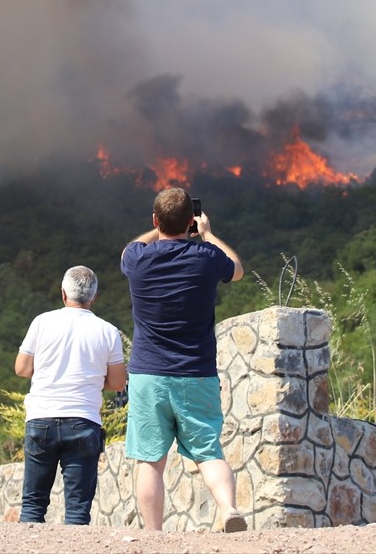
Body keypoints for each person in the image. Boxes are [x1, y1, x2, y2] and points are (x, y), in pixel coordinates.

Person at [119, 187, 247, 533]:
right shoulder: (206, 257)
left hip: (149, 375)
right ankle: (229, 508)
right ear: (191, 220)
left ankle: (154, 534)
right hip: (196, 372)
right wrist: (206, 234)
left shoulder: (137, 260)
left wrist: (161, 229)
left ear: (155, 220)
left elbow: (132, 247)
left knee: (151, 461)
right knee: (208, 452)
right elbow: (236, 269)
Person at [14, 265, 127, 525]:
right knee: (77, 511)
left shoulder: (42, 322)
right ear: (93, 297)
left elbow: (22, 368)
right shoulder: (108, 331)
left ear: (63, 293)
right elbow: (118, 383)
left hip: (41, 419)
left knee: (32, 505)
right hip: (84, 421)